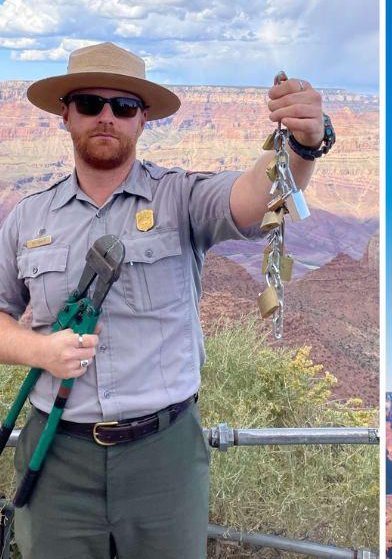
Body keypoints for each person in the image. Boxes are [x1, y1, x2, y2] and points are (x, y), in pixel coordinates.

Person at [0, 41, 332, 557]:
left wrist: (305, 144)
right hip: (54, 453)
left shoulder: (180, 198)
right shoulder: (26, 218)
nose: (106, 117)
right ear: (65, 115)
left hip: (164, 456)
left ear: (143, 119)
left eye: (124, 106)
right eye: (89, 104)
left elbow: (254, 197)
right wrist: (40, 352)